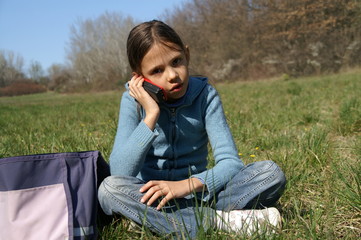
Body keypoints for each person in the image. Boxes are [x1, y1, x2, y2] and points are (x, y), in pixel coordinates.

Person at [98, 20, 286, 239]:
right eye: (157, 71)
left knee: (270, 173)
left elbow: (231, 163)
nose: (172, 75)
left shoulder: (206, 95)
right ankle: (219, 221)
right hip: (151, 198)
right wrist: (150, 115)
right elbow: (120, 173)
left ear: (187, 54)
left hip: (199, 194)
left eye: (176, 61)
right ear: (139, 77)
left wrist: (184, 186)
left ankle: (158, 222)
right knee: (109, 190)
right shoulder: (133, 102)